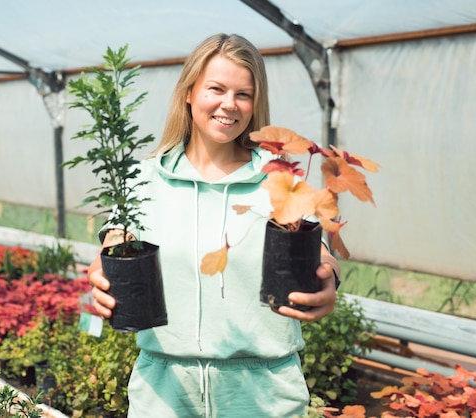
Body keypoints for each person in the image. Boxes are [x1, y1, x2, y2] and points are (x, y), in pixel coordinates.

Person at [88, 33, 340, 418]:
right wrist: (98, 277)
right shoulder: (144, 177)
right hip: (164, 391)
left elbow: (317, 252)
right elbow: (114, 247)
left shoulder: (278, 176)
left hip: (263, 392)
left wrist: (328, 279)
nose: (229, 104)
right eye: (216, 89)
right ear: (189, 93)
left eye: (243, 94)